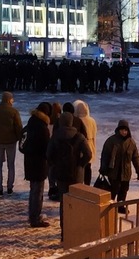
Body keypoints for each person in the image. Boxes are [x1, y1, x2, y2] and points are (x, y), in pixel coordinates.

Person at [46, 111, 91, 240]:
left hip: (61, 174)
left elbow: (49, 155)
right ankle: (75, 232)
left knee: (63, 203)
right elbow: (88, 154)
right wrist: (80, 165)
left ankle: (64, 233)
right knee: (76, 203)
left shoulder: (55, 136)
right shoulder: (79, 136)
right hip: (76, 175)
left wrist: (56, 164)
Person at [99, 120, 139, 213]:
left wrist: (138, 170)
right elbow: (105, 156)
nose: (124, 132)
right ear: (118, 130)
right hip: (113, 171)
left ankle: (120, 206)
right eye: (122, 130)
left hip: (125, 172)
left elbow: (135, 158)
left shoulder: (131, 142)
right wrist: (103, 168)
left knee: (123, 190)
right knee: (113, 190)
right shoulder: (111, 141)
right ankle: (110, 206)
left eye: (125, 130)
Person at [22, 102, 52, 227]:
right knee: (37, 191)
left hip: (29, 162)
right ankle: (35, 218)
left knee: (33, 190)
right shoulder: (42, 128)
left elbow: (22, 143)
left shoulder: (30, 123)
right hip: (39, 164)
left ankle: (33, 215)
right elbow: (47, 149)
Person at [0, 91, 23, 196]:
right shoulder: (14, 111)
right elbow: (19, 127)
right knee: (11, 165)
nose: (13, 100)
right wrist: (16, 138)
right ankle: (10, 188)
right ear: (9, 99)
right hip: (11, 142)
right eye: (12, 98)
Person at [73, 99, 98, 185]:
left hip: (79, 146)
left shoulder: (76, 120)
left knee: (79, 167)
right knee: (88, 167)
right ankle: (87, 185)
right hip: (90, 144)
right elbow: (95, 133)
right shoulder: (92, 120)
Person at [47, 102, 62, 200]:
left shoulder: (48, 121)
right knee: (58, 168)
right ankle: (58, 187)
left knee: (51, 169)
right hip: (58, 148)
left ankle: (51, 187)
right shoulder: (61, 121)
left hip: (50, 147)